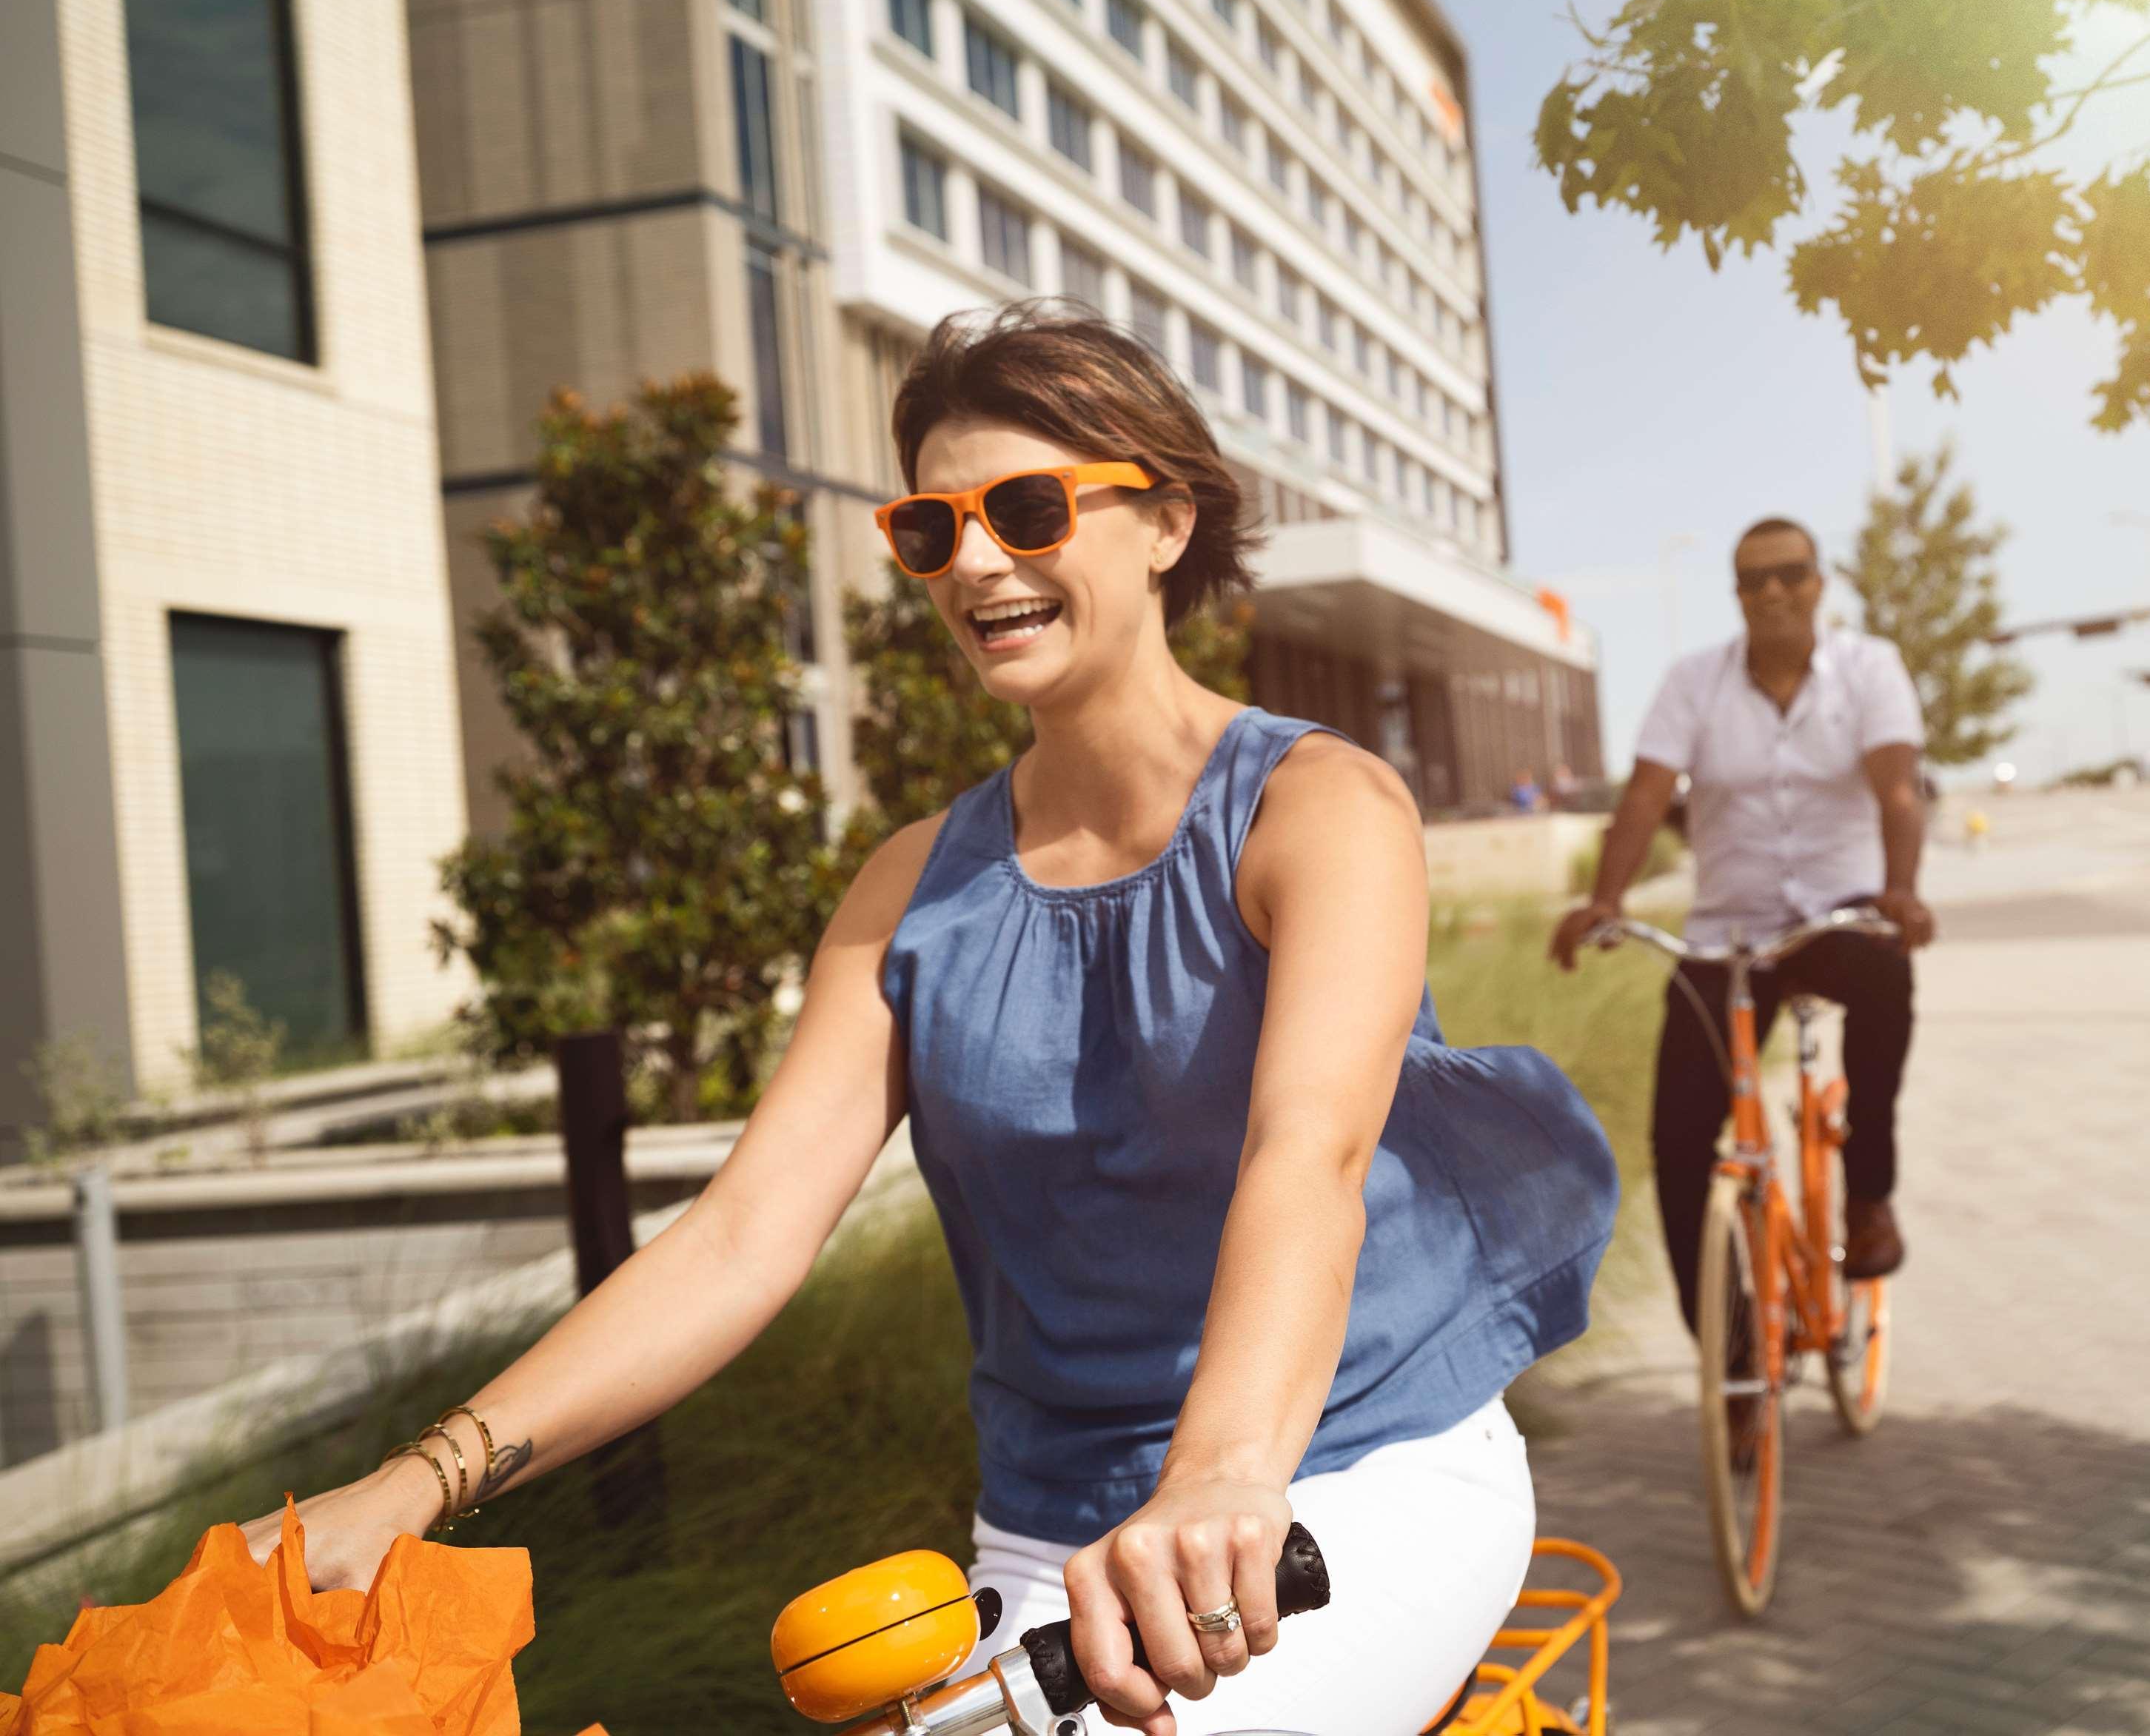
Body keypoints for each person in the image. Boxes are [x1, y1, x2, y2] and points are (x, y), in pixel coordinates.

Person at [246, 304, 1618, 1736]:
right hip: (1052, 1541)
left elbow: (1309, 1158)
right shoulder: (911, 889)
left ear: (1165, 521)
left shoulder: (1316, 809)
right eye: (930, 528)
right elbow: (738, 1239)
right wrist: (411, 1491)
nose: (973, 562)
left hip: (1336, 1480)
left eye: (1026, 510)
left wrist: (1220, 1477)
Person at [1549, 517, 1932, 1344]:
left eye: (1789, 574)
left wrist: (1901, 893)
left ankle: (1868, 1196)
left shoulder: (1871, 670)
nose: (1772, 592)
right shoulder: (1695, 681)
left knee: (1886, 980)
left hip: (1840, 915)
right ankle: (1731, 1351)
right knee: (1679, 1144)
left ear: (1819, 582)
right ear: (1737, 595)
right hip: (1728, 937)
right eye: (1753, 580)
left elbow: (1899, 792)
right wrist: (1605, 898)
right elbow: (1646, 796)